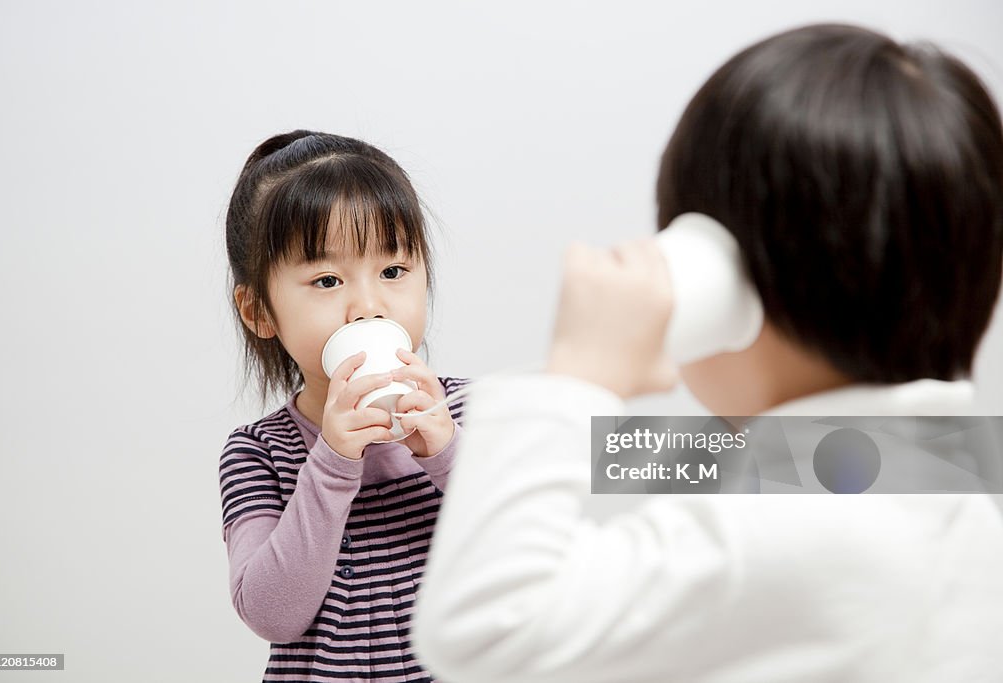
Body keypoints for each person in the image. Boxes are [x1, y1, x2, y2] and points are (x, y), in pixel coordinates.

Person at [412, 24, 1003, 682]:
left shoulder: (783, 535)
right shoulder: (949, 487)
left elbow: (481, 627)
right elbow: (669, 457)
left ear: (718, 273)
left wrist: (579, 374)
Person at [219, 130, 466, 682]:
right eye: (327, 280)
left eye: (393, 271)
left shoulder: (470, 412)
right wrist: (330, 464)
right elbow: (272, 616)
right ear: (258, 310)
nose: (368, 306)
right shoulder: (258, 454)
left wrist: (449, 455)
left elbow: (543, 540)